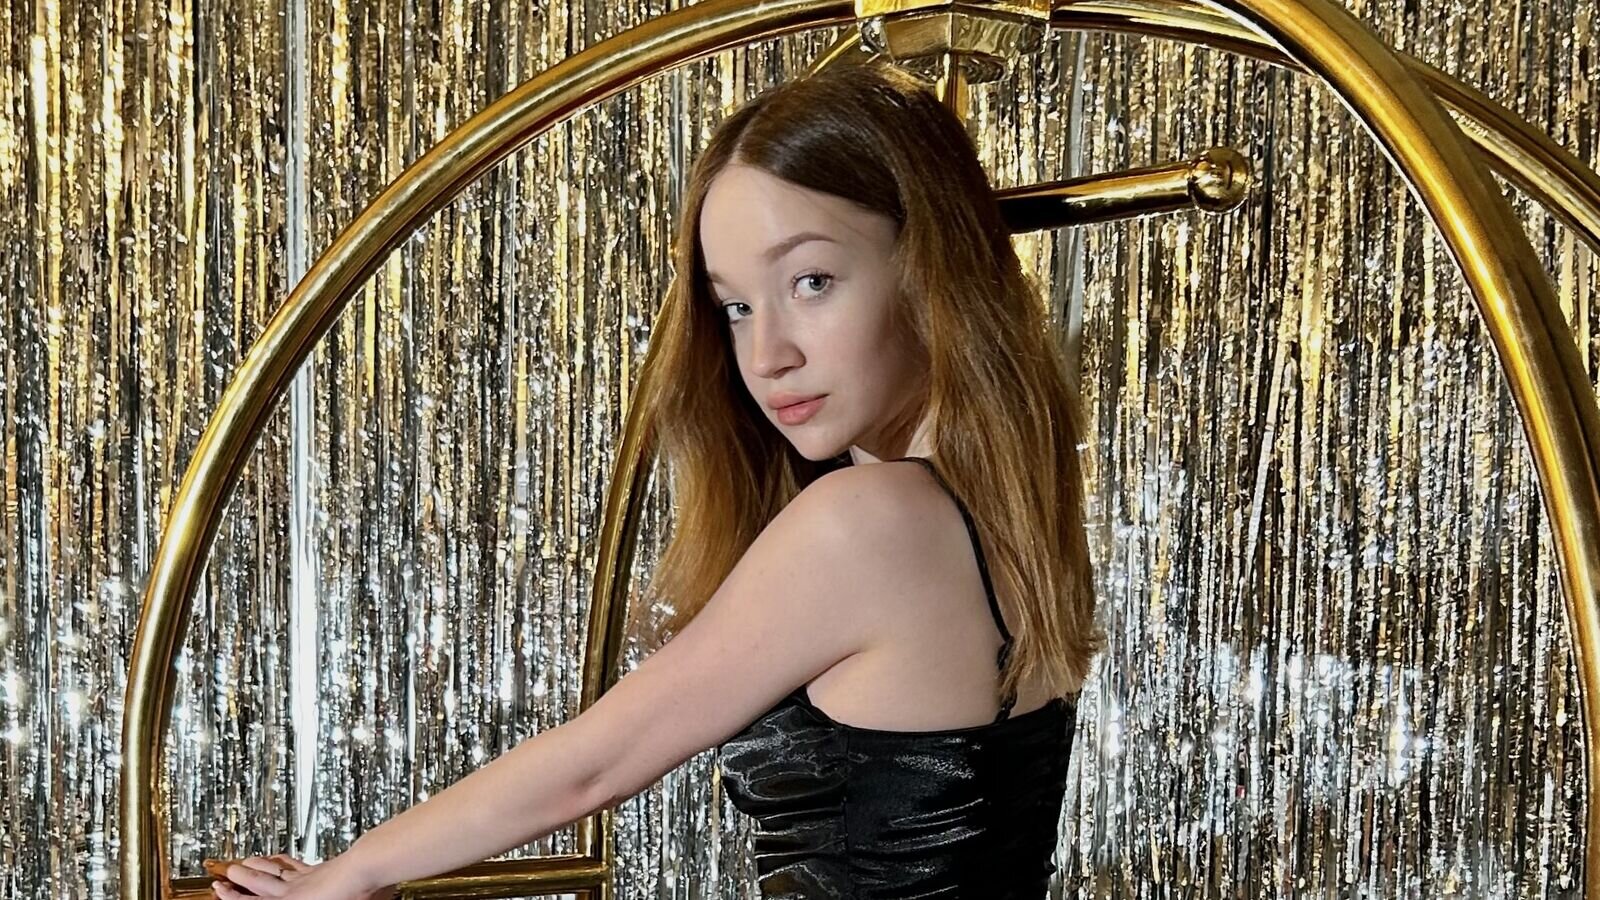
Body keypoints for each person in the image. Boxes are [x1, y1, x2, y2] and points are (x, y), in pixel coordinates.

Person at [211, 59, 1104, 900]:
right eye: (736, 305)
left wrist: (349, 874)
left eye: (812, 281)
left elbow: (593, 767)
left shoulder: (867, 521)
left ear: (929, 266)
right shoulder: (1018, 522)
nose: (767, 353)